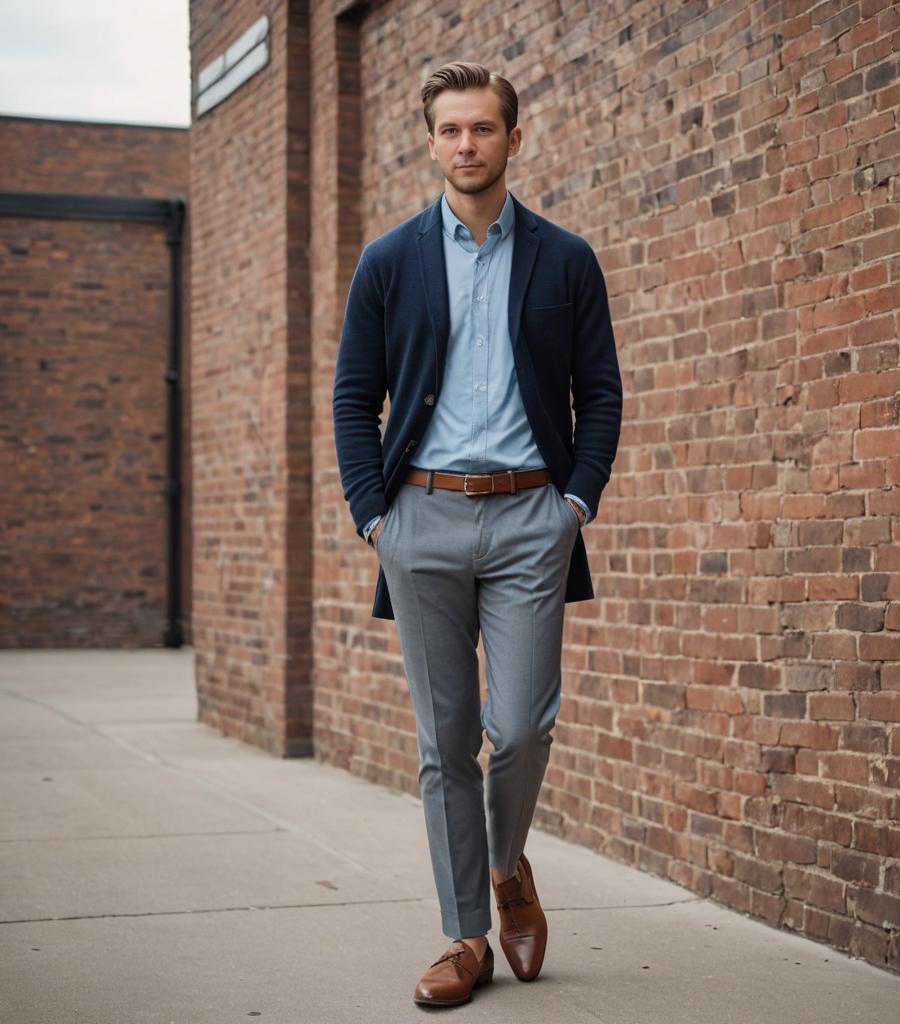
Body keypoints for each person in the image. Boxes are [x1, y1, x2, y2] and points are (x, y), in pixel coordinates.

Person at [332, 60, 622, 1007]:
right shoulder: (389, 260)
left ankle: (507, 869)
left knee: (525, 721)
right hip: (420, 516)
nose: (467, 145)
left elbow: (602, 393)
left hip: (533, 516)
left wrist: (574, 502)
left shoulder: (565, 259)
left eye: (483, 129)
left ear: (513, 138)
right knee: (444, 739)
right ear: (430, 142)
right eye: (451, 130)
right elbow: (353, 397)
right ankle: (464, 936)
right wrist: (375, 514)